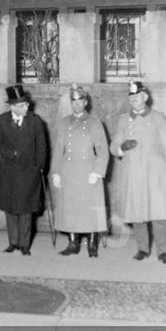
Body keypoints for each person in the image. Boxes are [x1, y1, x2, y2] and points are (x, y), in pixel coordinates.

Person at [110, 80, 166, 264]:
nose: (133, 99)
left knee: (159, 214)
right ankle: (142, 248)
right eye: (131, 96)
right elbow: (113, 146)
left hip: (156, 174)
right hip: (133, 175)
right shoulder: (123, 119)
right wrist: (121, 148)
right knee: (137, 214)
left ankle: (163, 251)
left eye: (137, 96)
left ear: (145, 97)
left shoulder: (158, 118)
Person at [50, 84, 109, 257]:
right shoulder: (64, 122)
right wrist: (56, 172)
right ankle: (73, 243)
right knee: (70, 208)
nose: (76, 104)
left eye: (79, 101)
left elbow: (103, 149)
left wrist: (97, 172)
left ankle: (92, 244)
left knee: (89, 208)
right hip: (69, 171)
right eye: (73, 101)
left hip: (88, 171)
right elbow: (58, 149)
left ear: (85, 102)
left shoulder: (94, 122)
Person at [0, 84, 47, 255]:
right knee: (10, 208)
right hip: (8, 172)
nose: (27, 107)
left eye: (26, 104)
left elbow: (42, 147)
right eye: (22, 105)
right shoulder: (1, 121)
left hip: (29, 172)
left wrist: (39, 168)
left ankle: (24, 244)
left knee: (26, 209)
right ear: (13, 106)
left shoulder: (35, 121)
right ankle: (12, 242)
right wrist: (11, 153)